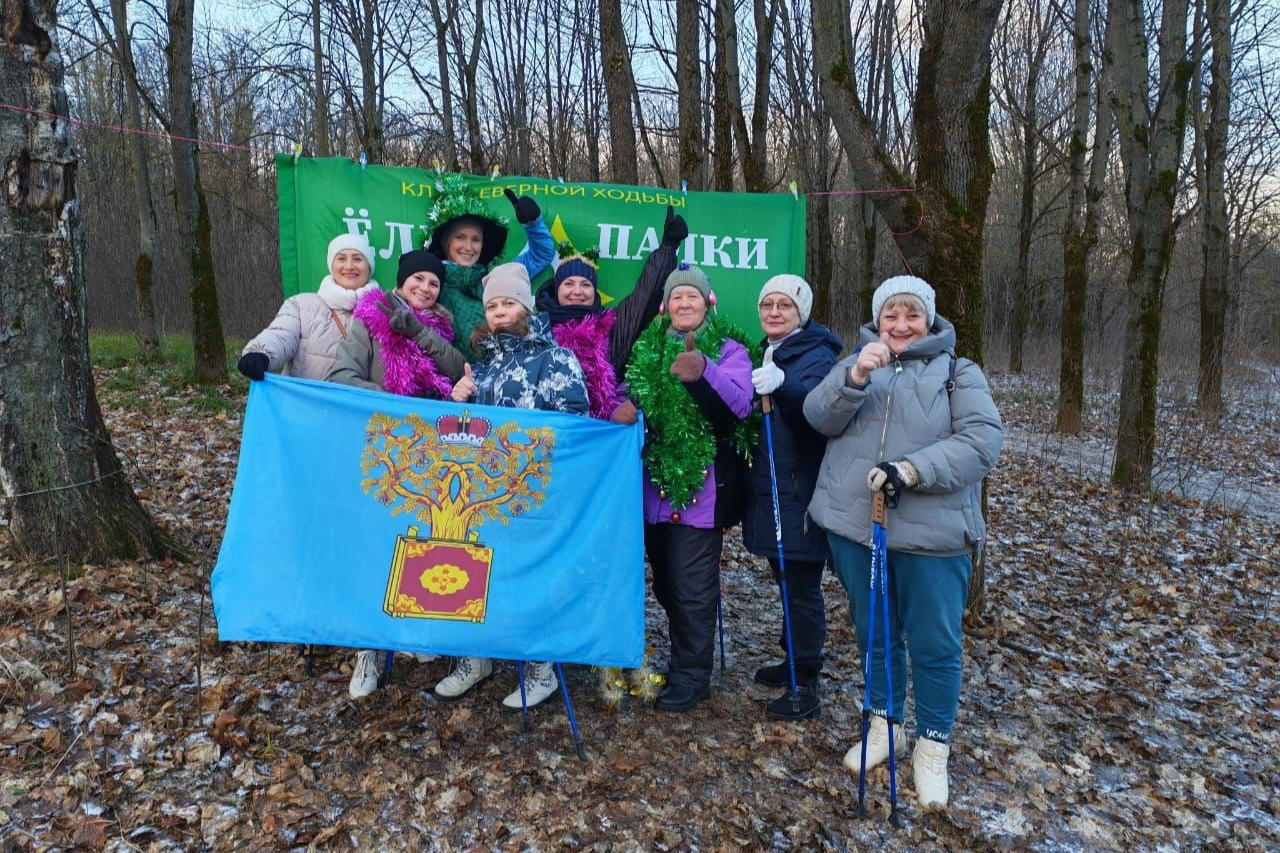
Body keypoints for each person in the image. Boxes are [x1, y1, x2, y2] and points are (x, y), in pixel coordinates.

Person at [802, 275, 1003, 808]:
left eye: (912, 314)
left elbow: (983, 442)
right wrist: (857, 375)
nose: (901, 324)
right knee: (875, 634)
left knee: (936, 646)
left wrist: (913, 469)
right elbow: (817, 418)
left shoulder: (960, 373)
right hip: (855, 527)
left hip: (933, 536)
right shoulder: (855, 361)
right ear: (877, 317)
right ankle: (884, 724)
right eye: (892, 314)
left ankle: (933, 746)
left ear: (930, 319)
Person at [434, 263, 589, 709]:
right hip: (484, 493)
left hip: (536, 490)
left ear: (525, 306)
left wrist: (526, 453)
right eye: (494, 305)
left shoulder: (555, 357)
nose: (501, 312)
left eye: (509, 303)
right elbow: (462, 433)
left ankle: (541, 668)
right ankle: (475, 657)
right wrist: (459, 398)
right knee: (477, 571)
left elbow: (573, 420)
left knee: (533, 578)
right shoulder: (482, 365)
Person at [328, 249, 470, 699]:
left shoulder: (444, 328)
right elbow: (340, 377)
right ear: (401, 282)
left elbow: (456, 369)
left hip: (429, 456)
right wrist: (397, 403)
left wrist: (420, 334)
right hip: (380, 453)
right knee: (374, 547)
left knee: (420, 543)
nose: (425, 289)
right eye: (418, 280)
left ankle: (414, 633)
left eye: (433, 283)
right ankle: (367, 653)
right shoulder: (369, 319)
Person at [624, 265, 754, 712]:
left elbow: (739, 407)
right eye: (677, 298)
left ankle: (692, 675)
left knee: (692, 587)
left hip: (702, 492)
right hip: (652, 491)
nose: (684, 305)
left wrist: (703, 372)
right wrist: (622, 406)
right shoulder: (649, 347)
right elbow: (629, 390)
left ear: (707, 303)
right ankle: (687, 655)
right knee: (666, 584)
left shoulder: (731, 349)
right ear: (665, 306)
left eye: (692, 298)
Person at [740, 275, 842, 722]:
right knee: (785, 580)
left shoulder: (817, 357)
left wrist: (783, 385)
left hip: (800, 489)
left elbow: (816, 417)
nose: (775, 311)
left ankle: (808, 681)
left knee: (802, 589)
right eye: (768, 304)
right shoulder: (769, 349)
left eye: (785, 305)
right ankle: (792, 659)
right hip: (772, 486)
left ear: (802, 312)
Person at [533, 205, 688, 422]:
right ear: (556, 289)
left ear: (594, 292)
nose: (577, 291)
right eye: (569, 283)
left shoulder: (610, 326)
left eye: (585, 284)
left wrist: (668, 248)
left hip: (603, 430)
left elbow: (643, 298)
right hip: (549, 433)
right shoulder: (537, 330)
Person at [423, 174, 556, 358]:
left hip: (504, 377)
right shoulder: (432, 283)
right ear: (446, 243)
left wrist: (533, 223)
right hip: (455, 382)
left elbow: (541, 254)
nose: (468, 247)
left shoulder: (496, 278)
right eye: (460, 237)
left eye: (476, 239)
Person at [238, 234, 381, 381]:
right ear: (332, 266)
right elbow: (281, 335)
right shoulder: (301, 305)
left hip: (357, 403)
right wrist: (261, 353)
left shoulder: (384, 313)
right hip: (304, 403)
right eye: (341, 258)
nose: (349, 266)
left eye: (358, 259)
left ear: (369, 268)